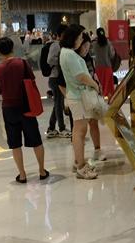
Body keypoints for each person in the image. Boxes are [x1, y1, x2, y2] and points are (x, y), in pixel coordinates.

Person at [0, 37, 48, 183]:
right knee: (36, 139)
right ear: (12, 48)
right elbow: (31, 79)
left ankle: (22, 174)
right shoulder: (22, 63)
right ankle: (42, 171)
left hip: (8, 109)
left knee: (15, 143)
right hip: (26, 105)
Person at [59, 25, 100, 180]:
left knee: (79, 130)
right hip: (78, 97)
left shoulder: (66, 52)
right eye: (80, 37)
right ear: (73, 38)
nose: (81, 41)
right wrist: (95, 84)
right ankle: (81, 167)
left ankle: (78, 162)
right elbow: (80, 76)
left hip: (76, 96)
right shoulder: (69, 54)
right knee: (80, 131)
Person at [46, 24, 69, 138]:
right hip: (55, 78)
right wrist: (62, 60)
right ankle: (62, 128)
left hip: (59, 78)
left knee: (57, 104)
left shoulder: (63, 45)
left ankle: (51, 128)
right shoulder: (56, 45)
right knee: (59, 104)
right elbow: (50, 60)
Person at [92, 28, 116, 98]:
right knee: (109, 88)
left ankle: (101, 102)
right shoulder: (108, 43)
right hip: (107, 68)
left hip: (98, 68)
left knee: (100, 87)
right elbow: (111, 55)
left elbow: (92, 55)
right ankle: (109, 103)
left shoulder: (94, 44)